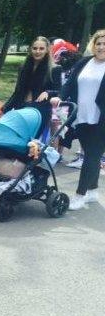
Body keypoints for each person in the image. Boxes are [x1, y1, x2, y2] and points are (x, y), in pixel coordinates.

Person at [51, 29, 105, 210]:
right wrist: (60, 96)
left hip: (101, 120)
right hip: (81, 116)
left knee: (91, 155)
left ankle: (80, 195)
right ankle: (93, 190)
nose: (101, 47)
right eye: (98, 43)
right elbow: (69, 83)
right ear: (93, 45)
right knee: (92, 155)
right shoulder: (84, 62)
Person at [2, 36, 61, 138]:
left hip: (39, 112)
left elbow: (59, 91)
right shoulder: (23, 68)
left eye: (41, 49)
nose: (37, 51)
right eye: (35, 48)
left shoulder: (54, 69)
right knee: (15, 139)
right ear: (31, 49)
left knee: (31, 142)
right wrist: (5, 109)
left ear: (47, 50)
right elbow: (17, 92)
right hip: (21, 108)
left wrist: (48, 92)